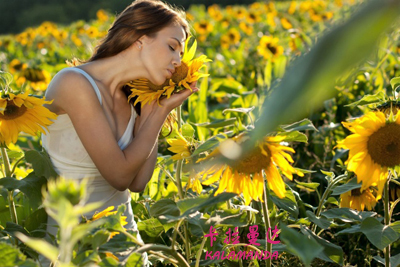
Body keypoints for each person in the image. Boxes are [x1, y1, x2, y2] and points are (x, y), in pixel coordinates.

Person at [40, 0, 197, 265]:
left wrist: (153, 111)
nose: (178, 61)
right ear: (139, 38)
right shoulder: (73, 83)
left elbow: (138, 183)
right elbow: (119, 176)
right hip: (77, 248)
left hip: (129, 246)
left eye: (181, 54)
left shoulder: (134, 100)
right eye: (172, 47)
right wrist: (159, 112)